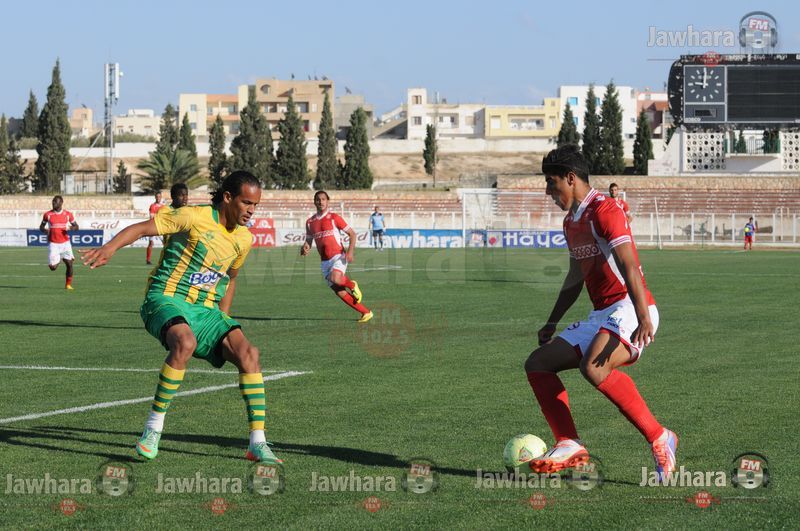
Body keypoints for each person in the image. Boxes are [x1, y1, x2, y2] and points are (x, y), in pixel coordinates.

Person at [81, 171, 281, 464]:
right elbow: (142, 228)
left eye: (256, 205)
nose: (252, 210)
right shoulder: (192, 216)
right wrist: (110, 248)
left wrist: (222, 319)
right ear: (228, 197)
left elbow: (231, 278)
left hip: (205, 310)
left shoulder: (244, 238)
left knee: (249, 353)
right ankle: (152, 430)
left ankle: (257, 443)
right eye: (247, 203)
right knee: (185, 342)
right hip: (165, 298)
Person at [524, 145, 676, 482]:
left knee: (593, 366)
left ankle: (659, 436)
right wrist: (552, 321)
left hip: (632, 306)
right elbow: (574, 278)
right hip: (603, 313)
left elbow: (629, 265)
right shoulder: (570, 222)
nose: (548, 192)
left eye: (551, 183)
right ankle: (569, 443)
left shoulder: (605, 211)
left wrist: (644, 316)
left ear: (570, 178)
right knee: (538, 363)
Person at [301, 190, 373, 323]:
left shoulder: (334, 218)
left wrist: (350, 252)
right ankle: (366, 312)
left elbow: (352, 234)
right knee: (339, 291)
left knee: (336, 278)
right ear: (314, 202)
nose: (321, 202)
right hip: (324, 262)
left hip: (338, 256)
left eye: (323, 199)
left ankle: (352, 285)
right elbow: (309, 240)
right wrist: (305, 247)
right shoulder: (310, 222)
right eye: (318, 199)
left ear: (327, 201)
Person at [40, 195, 79, 290]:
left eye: (55, 202)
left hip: (65, 244)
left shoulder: (68, 214)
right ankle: (59, 258)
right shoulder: (47, 215)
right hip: (53, 244)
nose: (53, 203)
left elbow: (76, 227)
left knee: (69, 264)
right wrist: (45, 230)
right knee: (53, 268)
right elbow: (41, 227)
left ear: (61, 203)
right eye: (53, 202)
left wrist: (71, 227)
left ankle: (68, 285)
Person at [146, 192, 164, 264]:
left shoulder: (163, 207)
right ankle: (148, 260)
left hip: (160, 227)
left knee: (165, 243)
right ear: (155, 197)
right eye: (157, 196)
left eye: (159, 197)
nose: (158, 198)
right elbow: (151, 216)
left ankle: (164, 258)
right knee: (151, 243)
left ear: (161, 197)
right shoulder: (153, 206)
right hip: (152, 226)